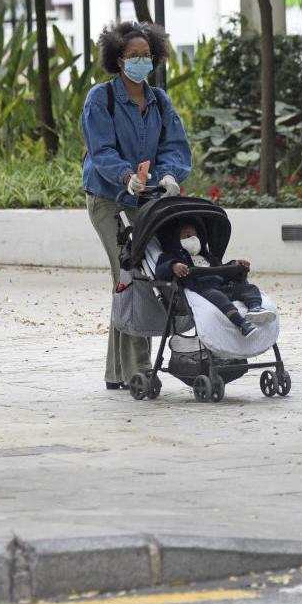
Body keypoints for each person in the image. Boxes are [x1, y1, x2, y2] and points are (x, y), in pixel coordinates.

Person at [83, 21, 191, 390]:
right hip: (109, 198)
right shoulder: (101, 98)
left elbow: (175, 145)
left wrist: (169, 175)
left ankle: (119, 373)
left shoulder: (160, 100)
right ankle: (138, 370)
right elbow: (101, 151)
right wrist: (128, 175)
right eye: (133, 56)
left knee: (135, 276)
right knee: (130, 275)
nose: (141, 61)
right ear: (117, 60)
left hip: (148, 198)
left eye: (146, 55)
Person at [155, 219, 276, 336]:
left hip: (223, 286)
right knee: (218, 296)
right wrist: (173, 266)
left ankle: (255, 308)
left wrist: (235, 265)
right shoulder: (172, 257)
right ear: (176, 239)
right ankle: (242, 323)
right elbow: (160, 270)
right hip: (204, 289)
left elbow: (222, 269)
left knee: (250, 288)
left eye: (194, 235)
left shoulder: (209, 257)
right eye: (186, 235)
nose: (192, 238)